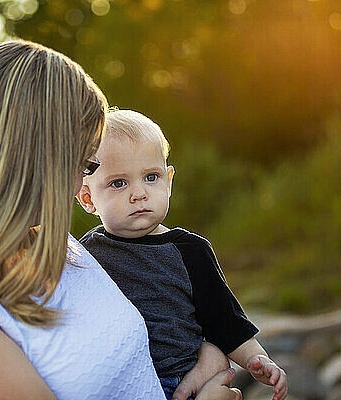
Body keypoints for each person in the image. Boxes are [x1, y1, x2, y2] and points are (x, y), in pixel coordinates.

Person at [0, 41, 243, 399]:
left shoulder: (59, 245)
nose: (80, 184)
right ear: (29, 152)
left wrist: (207, 349)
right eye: (84, 163)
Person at [77, 110, 288, 400]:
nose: (138, 193)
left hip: (183, 378)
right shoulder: (86, 254)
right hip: (123, 384)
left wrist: (259, 360)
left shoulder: (189, 250)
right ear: (87, 197)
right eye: (118, 183)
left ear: (169, 181)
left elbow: (224, 320)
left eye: (151, 177)